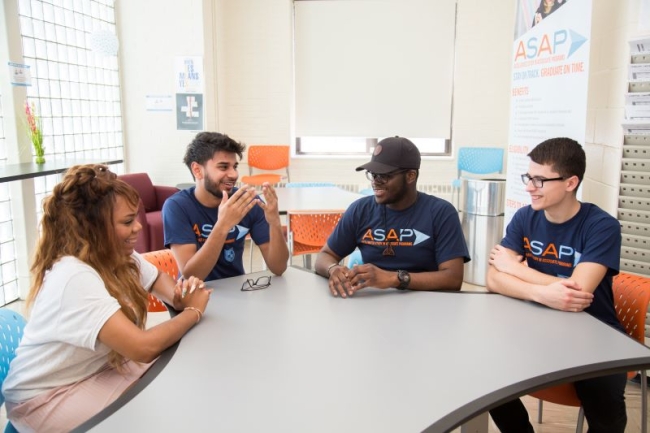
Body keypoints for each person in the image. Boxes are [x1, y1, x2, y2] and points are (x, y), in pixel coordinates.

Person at [2, 164, 212, 432]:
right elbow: (142, 348)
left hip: (95, 369)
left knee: (179, 388)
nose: (138, 227)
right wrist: (192, 313)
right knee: (160, 413)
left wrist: (183, 296)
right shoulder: (74, 276)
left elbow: (169, 290)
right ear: (93, 228)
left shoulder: (121, 255)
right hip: (47, 396)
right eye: (127, 222)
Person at [486, 137, 626, 433]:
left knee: (608, 415)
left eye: (539, 180)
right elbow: (493, 278)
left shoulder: (602, 226)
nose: (528, 187)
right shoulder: (526, 217)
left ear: (570, 182)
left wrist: (514, 269)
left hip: (595, 335)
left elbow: (577, 292)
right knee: (485, 375)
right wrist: (540, 292)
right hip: (538, 329)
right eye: (528, 177)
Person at [314, 136, 470, 297]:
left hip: (426, 304)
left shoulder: (441, 213)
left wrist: (394, 278)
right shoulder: (360, 210)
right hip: (374, 304)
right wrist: (333, 269)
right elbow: (325, 256)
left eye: (384, 175)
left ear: (410, 176)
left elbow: (453, 278)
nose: (375, 181)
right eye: (373, 174)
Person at [162, 132, 289, 281]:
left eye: (234, 167)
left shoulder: (246, 201)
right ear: (197, 170)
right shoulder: (177, 207)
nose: (234, 174)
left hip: (236, 292)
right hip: (195, 296)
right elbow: (192, 276)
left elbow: (278, 267)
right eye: (223, 167)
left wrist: (274, 222)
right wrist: (223, 225)